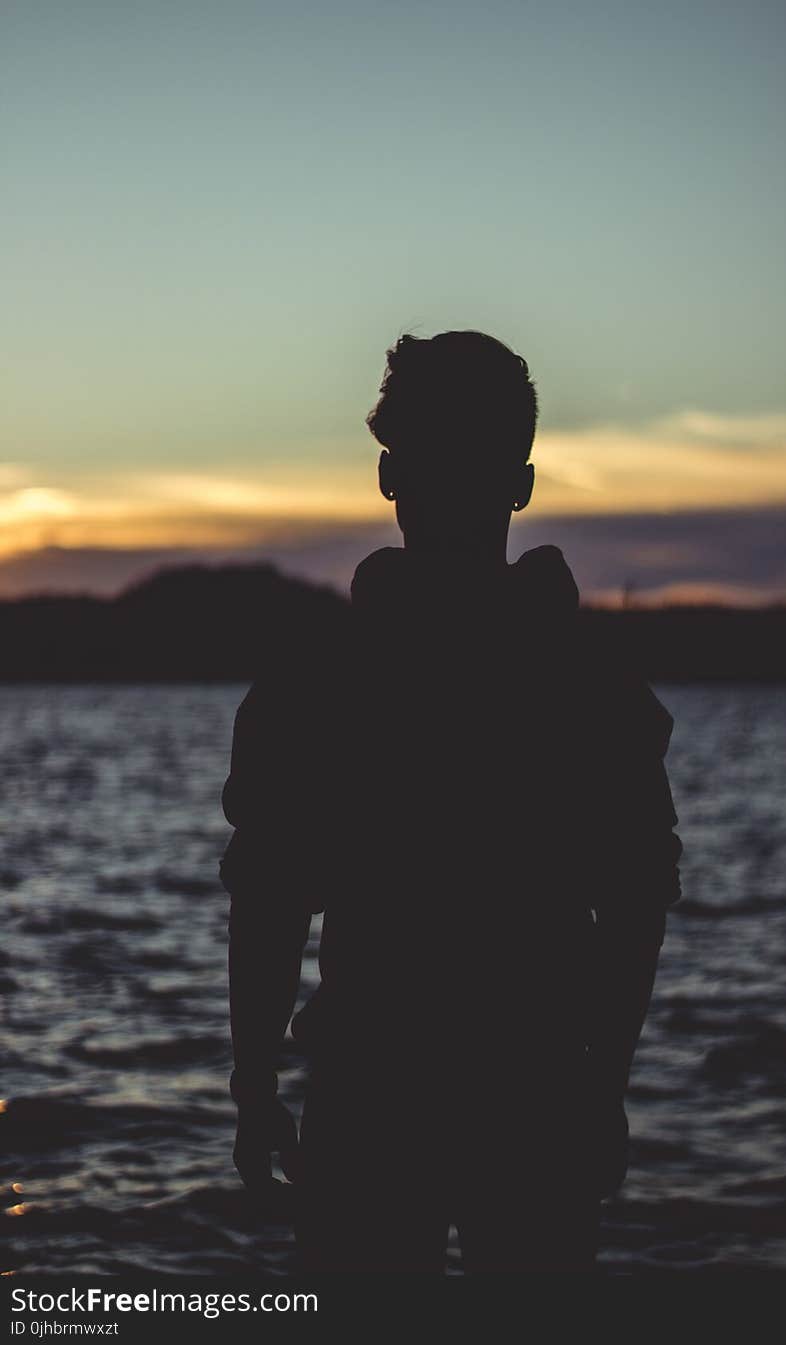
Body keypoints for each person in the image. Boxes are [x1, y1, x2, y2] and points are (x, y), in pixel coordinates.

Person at [220, 331, 682, 1272]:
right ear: (523, 482)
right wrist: (605, 1084)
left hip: (373, 1097)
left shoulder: (315, 687)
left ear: (390, 476)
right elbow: (638, 898)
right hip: (539, 1095)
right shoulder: (595, 688)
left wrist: (257, 1083)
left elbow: (269, 899)